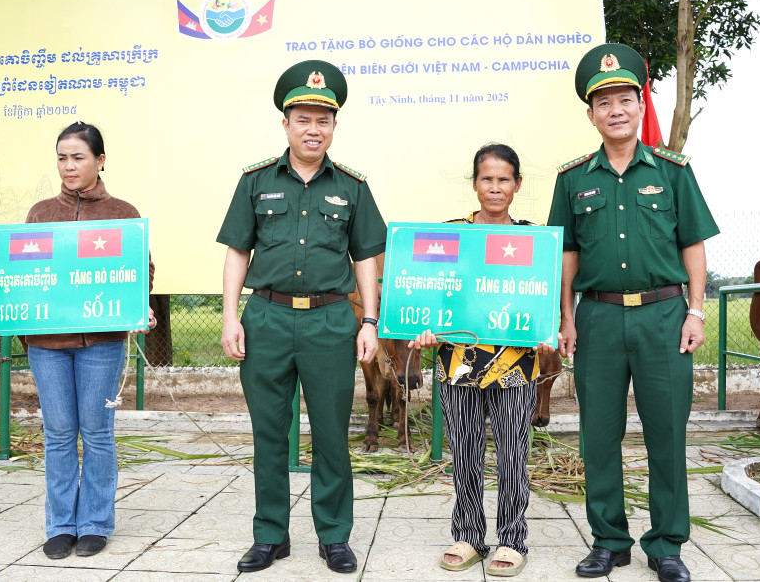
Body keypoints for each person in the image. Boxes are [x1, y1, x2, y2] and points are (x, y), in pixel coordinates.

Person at [544, 44, 719, 582]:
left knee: (666, 432)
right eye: (604, 103)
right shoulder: (574, 179)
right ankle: (609, 541)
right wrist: (566, 316)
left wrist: (697, 311)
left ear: (640, 105)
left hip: (665, 319)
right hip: (597, 319)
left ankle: (666, 544)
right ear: (591, 113)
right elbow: (566, 252)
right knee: (599, 434)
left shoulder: (671, 171)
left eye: (625, 99)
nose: (616, 110)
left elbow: (693, 245)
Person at [217, 60, 386, 575]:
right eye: (303, 119)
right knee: (269, 432)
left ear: (334, 126)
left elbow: (366, 259)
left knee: (332, 434)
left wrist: (370, 323)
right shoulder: (255, 182)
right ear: (285, 123)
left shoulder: (353, 187)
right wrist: (230, 317)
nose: (313, 129)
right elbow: (236, 253)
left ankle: (334, 536)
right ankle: (270, 535)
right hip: (265, 317)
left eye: (323, 120)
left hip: (330, 322)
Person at [0, 121, 155, 560]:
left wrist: (138, 303)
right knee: (57, 433)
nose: (69, 166)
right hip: (45, 344)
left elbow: (141, 272)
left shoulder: (123, 213)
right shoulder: (39, 213)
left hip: (103, 342)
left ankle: (94, 522)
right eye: (62, 157)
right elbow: (19, 277)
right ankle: (60, 524)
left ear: (100, 160)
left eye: (78, 157)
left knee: (96, 433)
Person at [409, 143, 538, 578]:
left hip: (515, 367)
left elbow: (544, 301)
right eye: (487, 179)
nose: (495, 188)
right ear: (475, 183)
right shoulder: (449, 235)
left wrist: (543, 330)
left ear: (517, 185)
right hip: (457, 365)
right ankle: (467, 535)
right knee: (463, 452)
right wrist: (425, 326)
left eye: (504, 179)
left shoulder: (533, 239)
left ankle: (512, 539)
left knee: (512, 456)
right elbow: (428, 293)